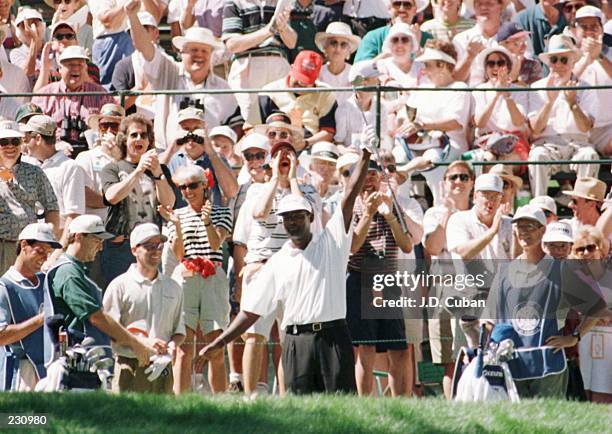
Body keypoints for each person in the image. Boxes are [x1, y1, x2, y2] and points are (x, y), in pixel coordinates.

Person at [195, 127, 376, 394]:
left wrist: (366, 155)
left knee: (342, 415)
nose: (292, 222)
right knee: (298, 417)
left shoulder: (331, 242)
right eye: (287, 217)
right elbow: (250, 312)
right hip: (295, 342)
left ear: (310, 217)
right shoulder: (277, 262)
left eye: (298, 216)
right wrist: (219, 343)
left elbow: (348, 197)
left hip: (333, 338)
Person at [482, 206, 605, 398]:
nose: (524, 231)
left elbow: (597, 307)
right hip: (511, 365)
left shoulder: (562, 270)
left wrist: (574, 337)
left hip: (548, 366)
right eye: (520, 226)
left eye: (530, 226)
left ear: (542, 230)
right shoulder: (504, 272)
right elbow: (490, 321)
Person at [235, 140, 321, 396]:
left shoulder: (307, 190)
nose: (284, 159)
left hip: (295, 270)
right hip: (261, 268)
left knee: (291, 339)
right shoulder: (256, 190)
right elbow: (260, 212)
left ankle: (287, 397)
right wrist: (274, 178)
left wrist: (292, 179)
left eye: (289, 155)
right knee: (255, 336)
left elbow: (309, 218)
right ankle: (251, 398)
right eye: (278, 156)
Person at [44, 215, 156, 367]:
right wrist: (135, 343)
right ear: (78, 237)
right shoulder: (68, 273)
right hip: (71, 362)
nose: (101, 247)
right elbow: (96, 317)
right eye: (97, 240)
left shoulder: (76, 270)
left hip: (82, 359)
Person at [159, 165, 232, 394]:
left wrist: (207, 220)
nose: (187, 191)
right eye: (183, 187)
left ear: (204, 185)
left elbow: (215, 244)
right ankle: (181, 403)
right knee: (183, 346)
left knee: (216, 346)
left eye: (192, 185)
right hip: (186, 277)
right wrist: (177, 227)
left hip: (212, 278)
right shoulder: (176, 215)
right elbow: (179, 254)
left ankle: (220, 403)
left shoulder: (222, 212)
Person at [127, 6, 243, 149]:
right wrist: (132, 15)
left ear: (211, 55)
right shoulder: (168, 71)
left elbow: (236, 124)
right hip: (168, 159)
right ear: (182, 52)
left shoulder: (223, 87)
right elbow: (144, 47)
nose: (199, 55)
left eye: (204, 51)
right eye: (193, 50)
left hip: (209, 162)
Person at [103, 223, 185, 394]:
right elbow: (110, 330)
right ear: (134, 250)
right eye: (149, 246)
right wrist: (143, 343)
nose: (156, 250)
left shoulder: (173, 287)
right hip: (129, 365)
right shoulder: (119, 286)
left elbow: (179, 331)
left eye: (159, 245)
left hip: (163, 368)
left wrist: (169, 348)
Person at [101, 114, 176, 287]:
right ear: (124, 139)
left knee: (151, 292)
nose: (139, 139)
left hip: (150, 245)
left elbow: (169, 203)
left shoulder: (161, 170)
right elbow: (111, 197)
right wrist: (138, 171)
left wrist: (157, 173)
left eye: (143, 135)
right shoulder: (113, 168)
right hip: (120, 246)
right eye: (134, 135)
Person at [394, 40, 471, 205]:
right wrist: (406, 125)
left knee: (433, 159)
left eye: (428, 65)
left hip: (449, 145)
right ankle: (402, 209)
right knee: (398, 156)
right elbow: (403, 116)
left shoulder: (459, 87)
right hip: (417, 145)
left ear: (443, 65)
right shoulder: (422, 89)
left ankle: (441, 211)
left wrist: (423, 125)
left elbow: (455, 123)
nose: (424, 70)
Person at [422, 161, 474, 399]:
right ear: (444, 183)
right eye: (453, 177)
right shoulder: (433, 213)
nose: (458, 182)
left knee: (478, 354)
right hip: (444, 287)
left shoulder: (478, 213)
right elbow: (432, 247)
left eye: (464, 177)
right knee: (449, 360)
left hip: (476, 288)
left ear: (472, 182)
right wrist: (447, 216)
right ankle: (453, 412)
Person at [528, 35, 599, 198]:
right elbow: (536, 128)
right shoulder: (537, 87)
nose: (558, 64)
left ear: (573, 61)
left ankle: (583, 207)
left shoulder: (586, 87)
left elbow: (586, 127)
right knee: (537, 156)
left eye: (563, 59)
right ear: (549, 63)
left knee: (589, 156)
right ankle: (539, 207)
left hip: (578, 143)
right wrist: (549, 102)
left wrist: (573, 104)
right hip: (546, 143)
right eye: (554, 59)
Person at [0, 223, 61, 391]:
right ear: (24, 245)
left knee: (48, 418)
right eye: (40, 251)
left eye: (48, 253)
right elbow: (1, 336)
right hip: (20, 372)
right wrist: (42, 318)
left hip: (49, 369)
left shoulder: (47, 281)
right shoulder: (4, 287)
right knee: (18, 418)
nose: (44, 258)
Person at [222, 0, 296, 126]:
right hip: (247, 65)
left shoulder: (280, 2)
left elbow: (292, 43)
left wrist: (282, 27)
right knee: (249, 123)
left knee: (282, 122)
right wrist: (268, 30)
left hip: (279, 64)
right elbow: (232, 44)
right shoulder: (234, 3)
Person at [0, 120, 59, 274]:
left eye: (15, 141)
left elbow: (52, 207)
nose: (10, 146)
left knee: (25, 291)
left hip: (27, 248)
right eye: (3, 142)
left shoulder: (34, 172)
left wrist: (49, 242)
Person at [21, 115, 86, 248]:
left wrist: (58, 251)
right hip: (28, 245)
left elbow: (73, 216)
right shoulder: (26, 164)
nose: (24, 144)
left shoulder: (70, 168)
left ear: (38, 138)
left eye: (26, 139)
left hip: (53, 245)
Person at [31, 45, 115, 143]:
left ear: (86, 68)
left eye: (80, 64)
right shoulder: (44, 95)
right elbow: (33, 133)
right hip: (53, 151)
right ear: (60, 69)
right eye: (70, 65)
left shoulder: (101, 95)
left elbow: (114, 124)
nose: (76, 69)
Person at [258, 50, 337, 149]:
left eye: (306, 81)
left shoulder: (326, 93)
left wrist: (305, 143)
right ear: (291, 68)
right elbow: (254, 128)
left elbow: (328, 131)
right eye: (299, 78)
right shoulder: (268, 92)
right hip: (274, 146)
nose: (301, 84)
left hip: (312, 146)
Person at [571, 225, 612, 403]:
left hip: (609, 344)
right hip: (583, 343)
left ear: (601, 250)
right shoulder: (572, 279)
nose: (586, 253)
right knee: (582, 393)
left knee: (604, 397)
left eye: (591, 247)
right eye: (580, 249)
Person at [472, 47, 529, 167]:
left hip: (514, 142)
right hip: (487, 142)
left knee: (506, 161)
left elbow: (518, 122)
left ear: (507, 67)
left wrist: (507, 96)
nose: (496, 68)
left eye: (501, 63)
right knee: (488, 160)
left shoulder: (519, 91)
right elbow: (480, 123)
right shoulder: (479, 91)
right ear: (486, 68)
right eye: (491, 64)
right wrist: (497, 94)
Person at [572, 6, 612, 156]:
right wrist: (588, 57)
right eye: (584, 27)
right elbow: (564, 83)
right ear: (576, 30)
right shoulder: (566, 53)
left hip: (607, 129)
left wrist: (599, 56)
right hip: (574, 130)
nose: (589, 31)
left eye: (594, 26)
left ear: (602, 28)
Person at [34, 20, 101, 93]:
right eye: (59, 37)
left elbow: (96, 94)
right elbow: (37, 97)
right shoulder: (46, 67)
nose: (64, 40)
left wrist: (82, 67)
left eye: (69, 36)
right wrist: (45, 69)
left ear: (77, 42)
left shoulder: (89, 66)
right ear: (52, 44)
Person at [354, 0, 432, 62]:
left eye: (407, 4)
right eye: (397, 4)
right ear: (389, 8)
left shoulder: (427, 39)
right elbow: (358, 77)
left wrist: (417, 48)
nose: (402, 9)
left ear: (415, 10)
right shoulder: (373, 37)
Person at [88, 0, 135, 88]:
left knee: (133, 86)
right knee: (106, 91)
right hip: (109, 41)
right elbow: (108, 21)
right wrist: (128, 4)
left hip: (134, 38)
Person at [315, 22, 361, 107]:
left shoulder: (356, 73)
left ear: (349, 51)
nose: (338, 48)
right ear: (325, 48)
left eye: (343, 44)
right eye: (333, 43)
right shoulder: (317, 73)